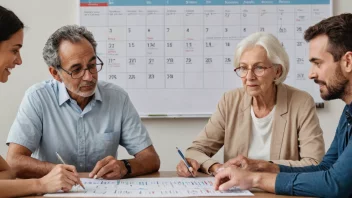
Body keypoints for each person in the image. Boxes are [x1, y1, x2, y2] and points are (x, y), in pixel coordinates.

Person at [213, 13, 352, 197]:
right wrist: (263, 167)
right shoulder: (348, 112)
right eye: (243, 68)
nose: (311, 74)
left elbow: (335, 184)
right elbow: (325, 168)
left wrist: (256, 179)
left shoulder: (302, 102)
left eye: (317, 63)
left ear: (348, 62)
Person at [6, 25, 160, 180]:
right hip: (55, 192)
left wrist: (125, 166)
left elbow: (151, 159)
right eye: (77, 69)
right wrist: (58, 172)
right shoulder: (38, 97)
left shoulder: (117, 98)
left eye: (92, 66)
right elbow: (14, 162)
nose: (89, 77)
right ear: (55, 73)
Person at [176, 32, 325, 177]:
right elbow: (195, 150)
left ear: (277, 71)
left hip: (279, 191)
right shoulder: (230, 101)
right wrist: (217, 168)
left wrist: (262, 166)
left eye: (259, 67)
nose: (249, 77)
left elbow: (314, 163)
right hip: (237, 191)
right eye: (243, 68)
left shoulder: (301, 102)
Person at [0, 6, 83, 197]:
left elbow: (7, 173)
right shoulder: (38, 95)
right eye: (14, 50)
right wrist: (40, 184)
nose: (19, 61)